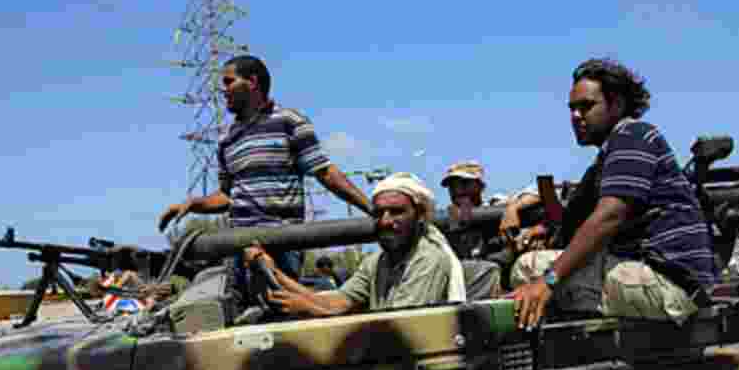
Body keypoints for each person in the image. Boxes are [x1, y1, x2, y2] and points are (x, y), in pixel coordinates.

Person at [510, 57, 717, 330]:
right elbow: (574, 223)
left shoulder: (633, 134)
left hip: (670, 284)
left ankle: (569, 349)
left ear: (617, 104)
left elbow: (609, 216)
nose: (576, 116)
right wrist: (540, 228)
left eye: (586, 106)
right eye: (572, 108)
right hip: (665, 281)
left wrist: (547, 282)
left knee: (529, 269)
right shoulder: (609, 156)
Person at [156, 55, 371, 293]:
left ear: (252, 82)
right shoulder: (227, 139)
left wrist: (372, 209)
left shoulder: (289, 121)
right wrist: (194, 204)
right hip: (239, 245)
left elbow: (325, 172)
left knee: (281, 305)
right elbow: (227, 196)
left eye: (228, 82)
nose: (222, 90)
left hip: (281, 243)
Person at [244, 173, 465, 316]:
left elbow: (399, 329)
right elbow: (339, 301)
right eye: (379, 213)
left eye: (397, 212)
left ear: (420, 216)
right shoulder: (378, 262)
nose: (385, 221)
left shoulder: (428, 259)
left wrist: (308, 308)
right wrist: (274, 272)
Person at [439, 161, 504, 298]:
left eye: (464, 183)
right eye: (452, 186)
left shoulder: (498, 206)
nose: (458, 190)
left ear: (481, 186)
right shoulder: (445, 219)